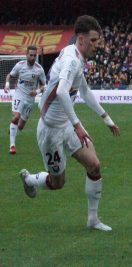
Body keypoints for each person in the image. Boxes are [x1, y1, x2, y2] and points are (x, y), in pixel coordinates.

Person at [19, 15, 120, 231]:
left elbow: (83, 90)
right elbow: (63, 92)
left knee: (94, 165)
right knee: (58, 183)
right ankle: (29, 180)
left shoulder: (75, 56)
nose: (96, 45)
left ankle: (92, 220)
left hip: (66, 124)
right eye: (93, 40)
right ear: (81, 39)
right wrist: (78, 125)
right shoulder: (72, 61)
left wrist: (106, 119)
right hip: (50, 131)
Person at [4, 45, 46, 154]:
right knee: (16, 117)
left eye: (34, 55)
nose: (32, 57)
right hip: (19, 95)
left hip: (30, 100)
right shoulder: (20, 66)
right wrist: (7, 84)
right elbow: (10, 75)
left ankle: (13, 128)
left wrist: (36, 92)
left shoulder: (39, 69)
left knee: (21, 126)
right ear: (26, 55)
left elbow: (44, 86)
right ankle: (12, 146)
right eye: (30, 55)